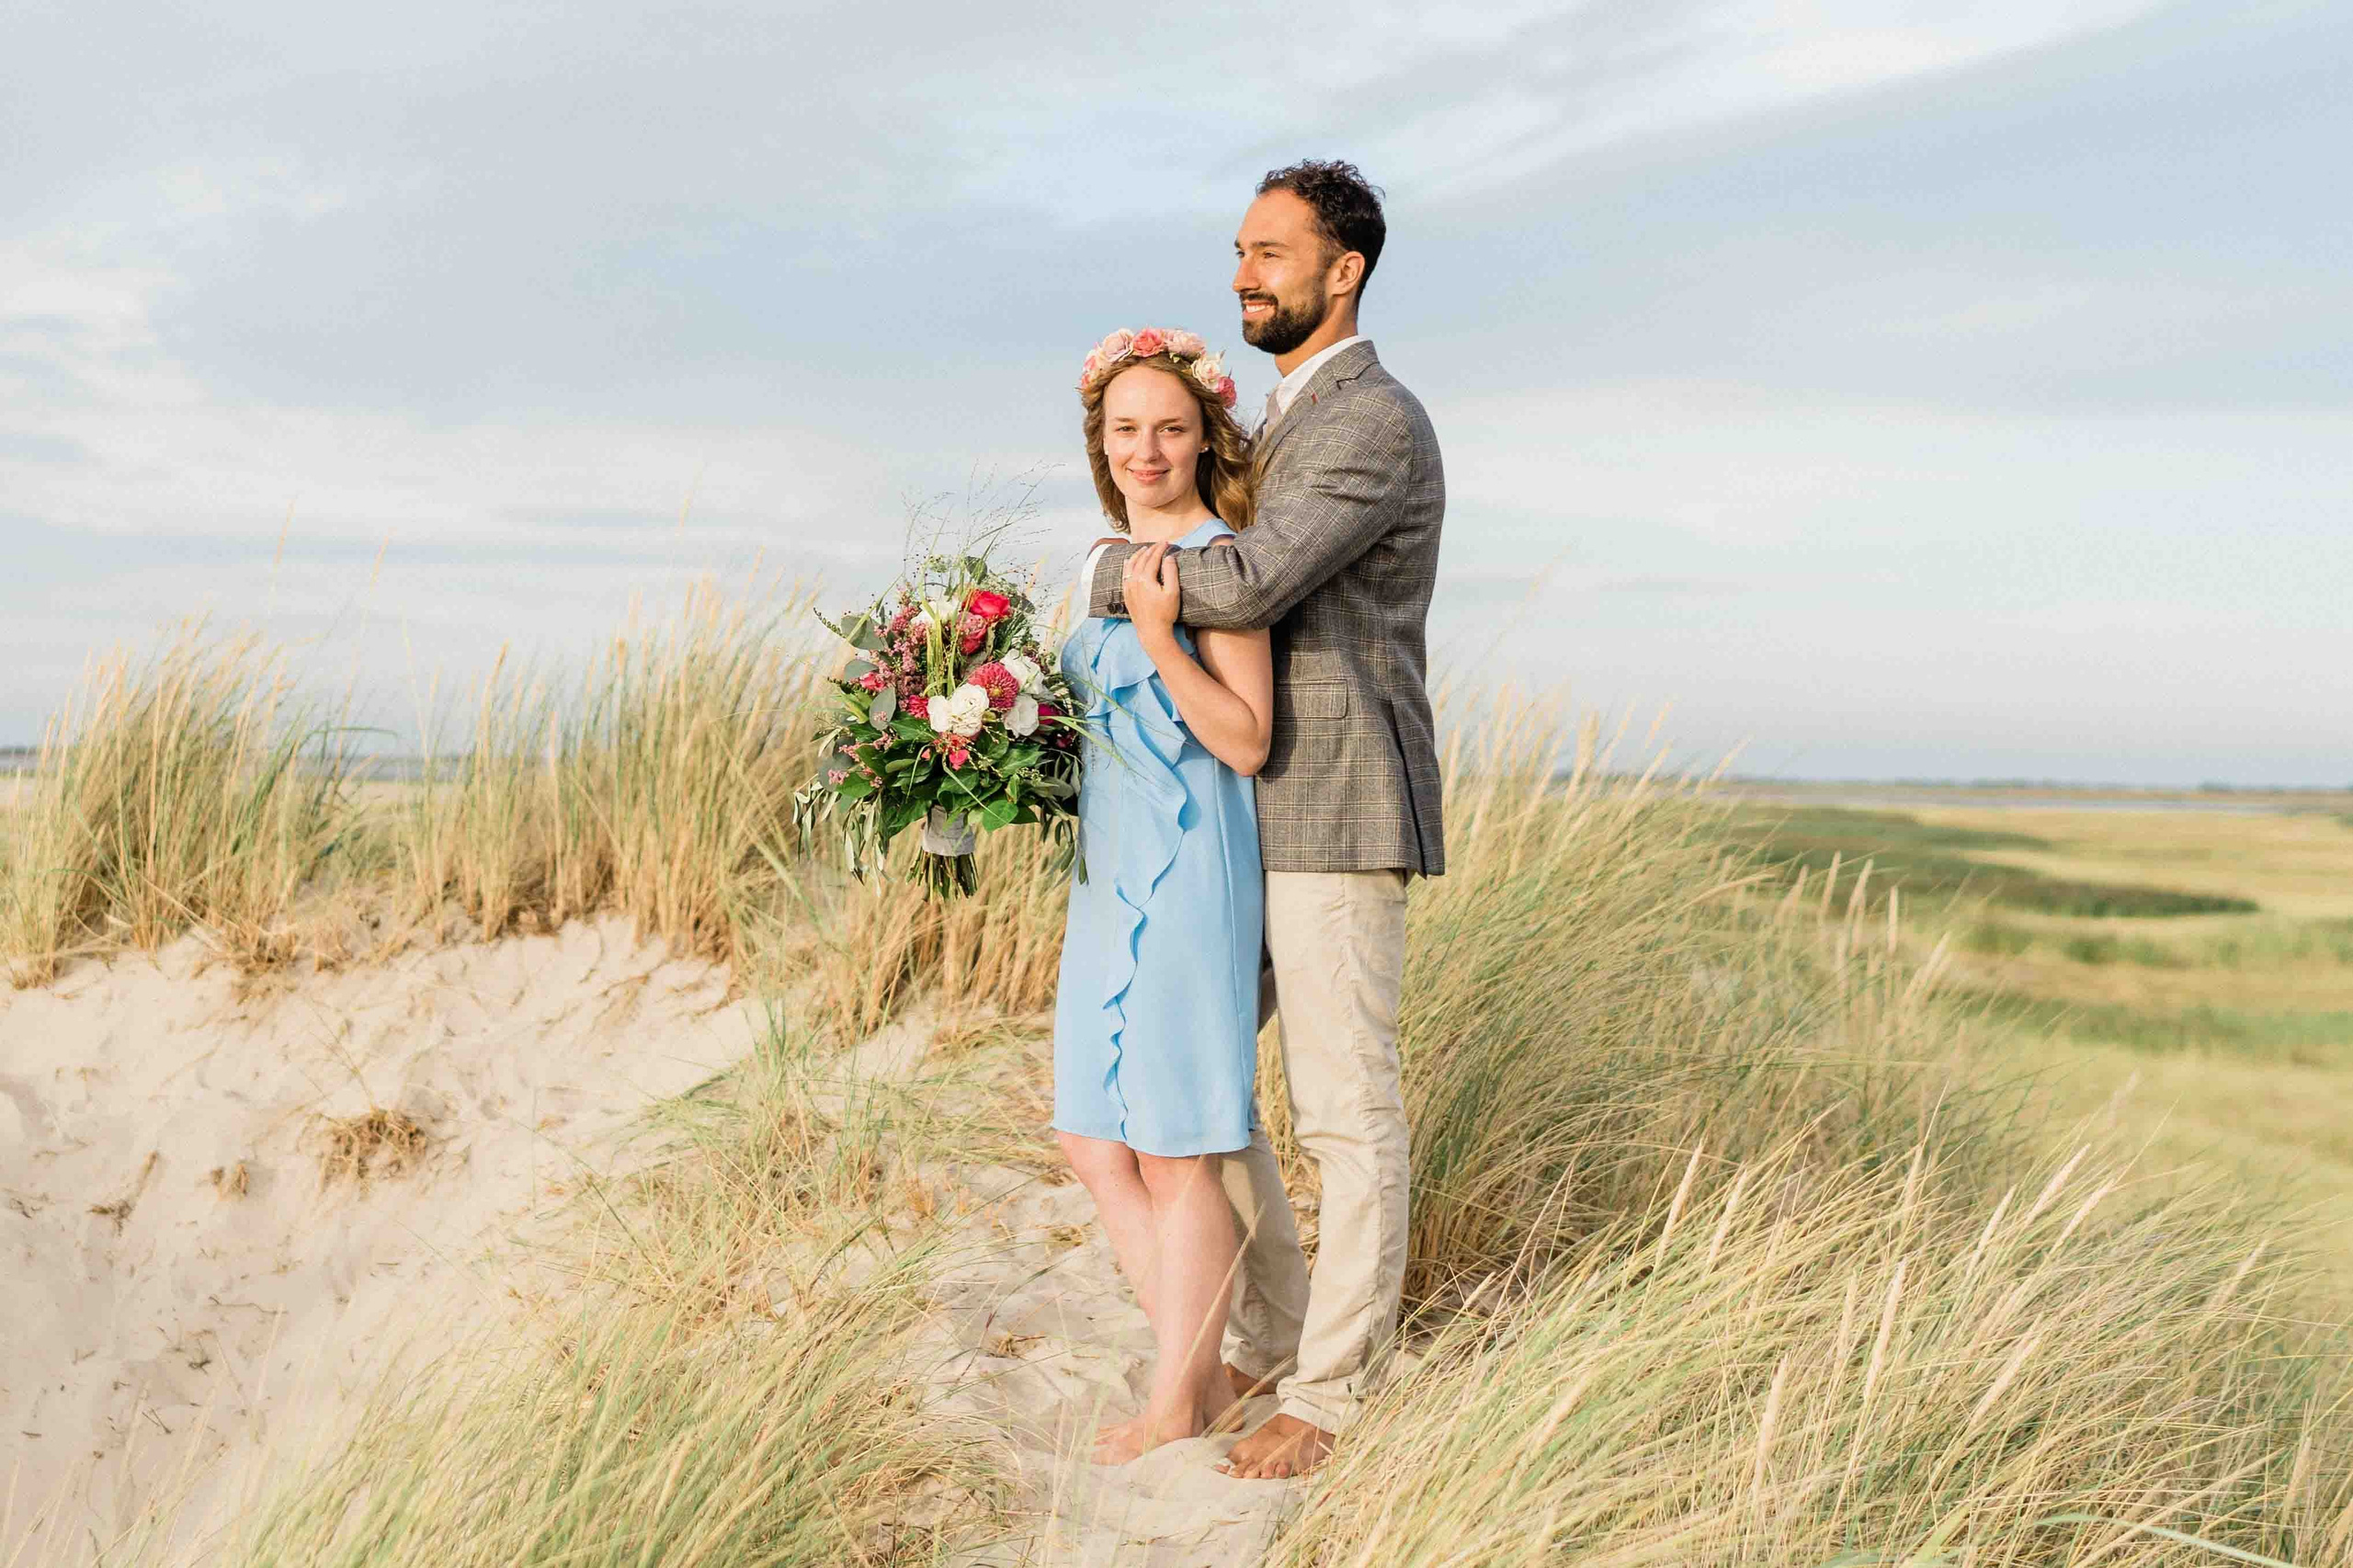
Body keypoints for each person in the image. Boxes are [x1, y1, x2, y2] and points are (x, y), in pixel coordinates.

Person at [1085, 159, 1445, 1481]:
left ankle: (1337, 1394)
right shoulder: (1285, 420)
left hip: (1339, 803)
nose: (1245, 272)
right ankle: (1280, 1336)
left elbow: (1247, 577)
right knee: (1203, 1096)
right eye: (1239, 250)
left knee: (1347, 1113)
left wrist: (1102, 574)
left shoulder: (1371, 420)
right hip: (1239, 818)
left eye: (1273, 252)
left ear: (1343, 270)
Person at [1051, 325, 1272, 1463]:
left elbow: (1243, 739)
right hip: (1105, 873)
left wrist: (1160, 636)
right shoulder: (1095, 562)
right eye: (1127, 429)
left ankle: (1178, 1398)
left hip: (1191, 875)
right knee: (1093, 1139)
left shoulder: (1222, 564)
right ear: (1102, 439)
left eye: (1170, 429)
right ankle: (1207, 1365)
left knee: (1178, 1149)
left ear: (1202, 437)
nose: (1148, 449)